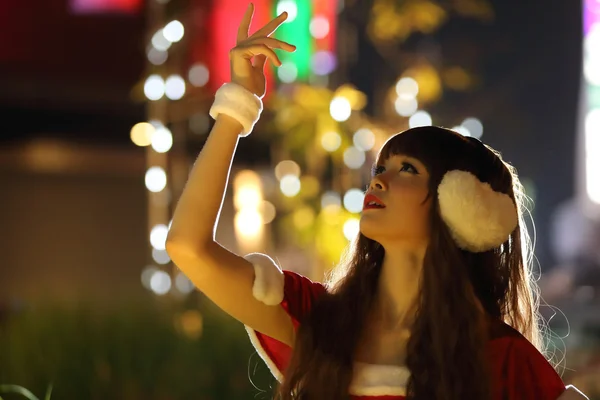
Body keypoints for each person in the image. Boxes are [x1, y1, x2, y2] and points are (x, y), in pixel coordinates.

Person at [166, 4, 589, 399]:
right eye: (380, 169)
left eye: (407, 170)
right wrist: (237, 106)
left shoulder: (502, 357)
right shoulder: (319, 320)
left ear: (460, 205)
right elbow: (187, 247)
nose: (380, 181)